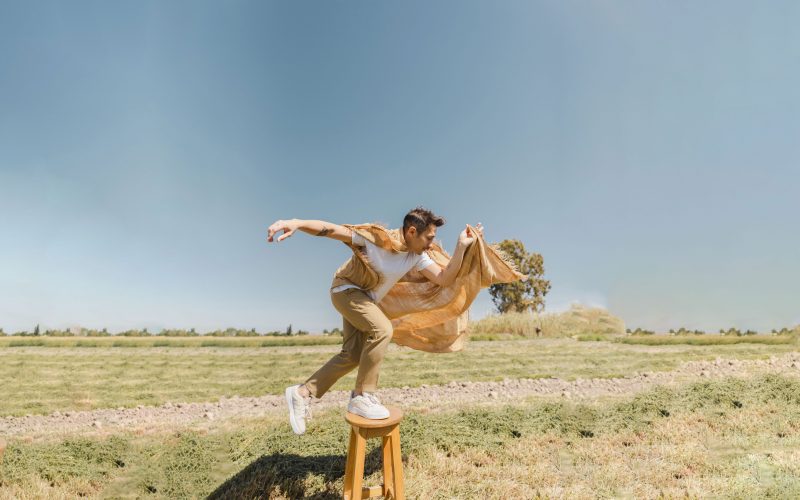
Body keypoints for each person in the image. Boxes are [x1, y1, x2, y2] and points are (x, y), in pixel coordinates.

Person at [266, 207, 483, 435]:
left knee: (352, 355)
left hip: (365, 300)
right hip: (345, 290)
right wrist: (297, 223)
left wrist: (461, 246)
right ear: (411, 232)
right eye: (429, 238)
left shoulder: (416, 257)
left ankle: (301, 394)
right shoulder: (376, 239)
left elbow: (444, 278)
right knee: (382, 330)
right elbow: (331, 229)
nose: (431, 244)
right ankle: (363, 396)